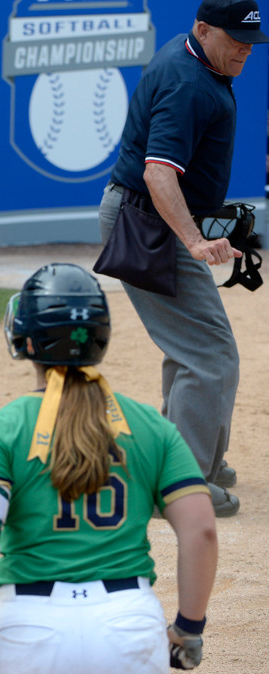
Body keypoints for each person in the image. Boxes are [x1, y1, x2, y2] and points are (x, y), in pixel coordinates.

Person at [0, 263, 218, 674]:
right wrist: (188, 629)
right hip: (129, 627)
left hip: (28, 629)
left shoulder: (0, 428)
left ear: (25, 337)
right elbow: (201, 530)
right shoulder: (152, 426)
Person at [97, 0, 269, 517]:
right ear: (202, 29)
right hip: (150, 224)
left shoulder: (193, 58)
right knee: (210, 353)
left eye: (250, 41)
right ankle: (184, 485)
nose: (245, 49)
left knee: (191, 348)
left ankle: (187, 463)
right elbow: (157, 173)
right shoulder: (189, 84)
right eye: (235, 39)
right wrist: (195, 240)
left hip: (151, 218)